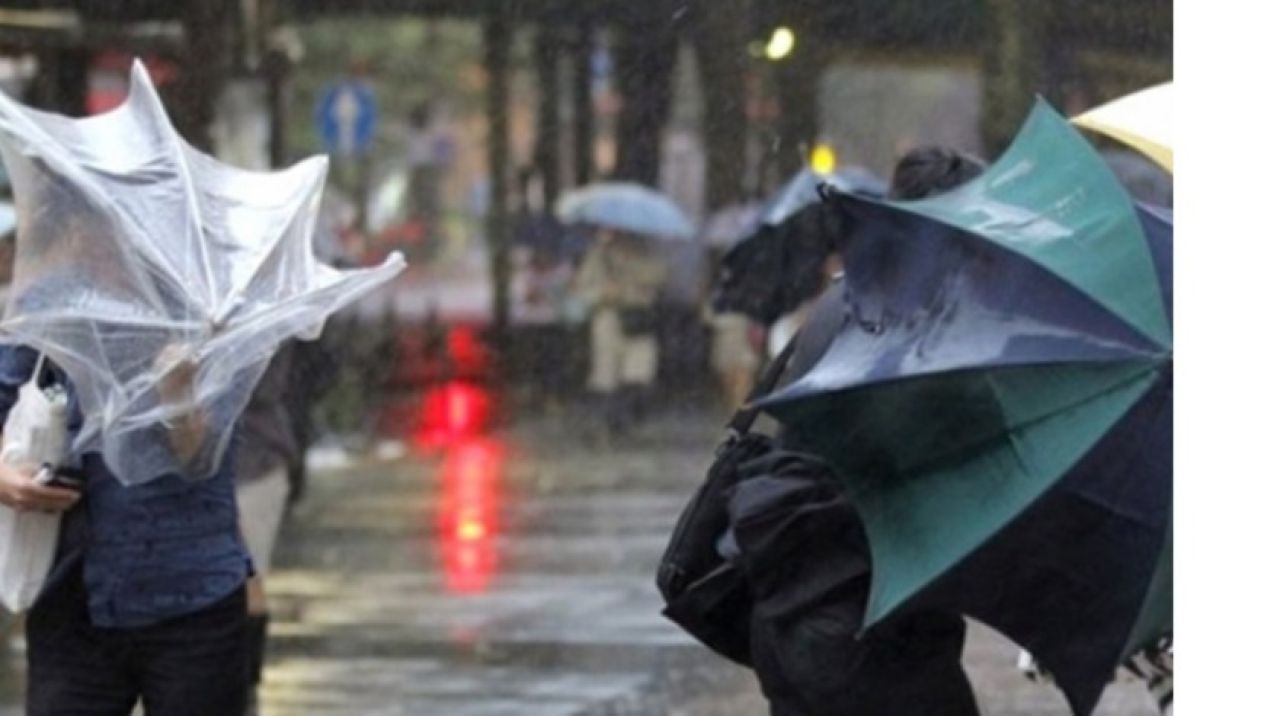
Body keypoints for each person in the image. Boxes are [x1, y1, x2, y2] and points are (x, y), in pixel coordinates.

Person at [0, 344, 251, 715]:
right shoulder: (57, 314)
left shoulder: (210, 324)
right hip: (72, 588)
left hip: (193, 590)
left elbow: (201, 459)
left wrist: (177, 396)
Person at [234, 343, 302, 713]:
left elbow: (263, 388)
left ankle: (246, 687)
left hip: (254, 464)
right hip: (196, 470)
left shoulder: (262, 321)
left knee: (247, 577)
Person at [572, 229, 667, 438]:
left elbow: (659, 277)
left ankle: (627, 417)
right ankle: (608, 422)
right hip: (609, 317)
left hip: (639, 319)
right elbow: (582, 289)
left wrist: (631, 273)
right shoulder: (598, 256)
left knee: (639, 372)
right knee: (606, 373)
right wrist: (601, 293)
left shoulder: (646, 255)